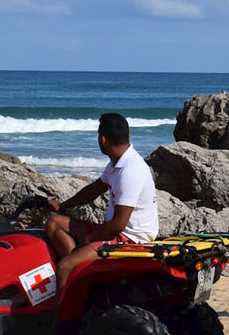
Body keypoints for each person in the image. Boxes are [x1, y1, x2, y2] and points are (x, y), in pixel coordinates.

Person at [44, 112, 159, 290]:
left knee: (65, 266)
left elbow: (118, 225)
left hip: (130, 239)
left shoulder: (131, 170)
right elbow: (94, 190)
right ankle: (82, 275)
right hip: (113, 230)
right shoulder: (116, 163)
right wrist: (61, 205)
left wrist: (88, 240)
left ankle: (63, 316)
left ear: (103, 139)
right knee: (54, 223)